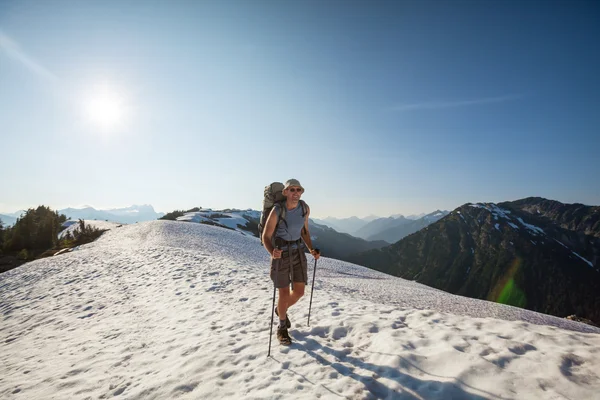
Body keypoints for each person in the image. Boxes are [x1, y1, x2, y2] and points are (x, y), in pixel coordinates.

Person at [262, 179, 320, 346]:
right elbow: (266, 236)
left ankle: (281, 310)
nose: (296, 193)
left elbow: (304, 230)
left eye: (299, 190)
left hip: (298, 252)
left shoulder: (304, 208)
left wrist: (311, 249)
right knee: (284, 294)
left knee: (300, 292)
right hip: (281, 254)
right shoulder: (277, 210)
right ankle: (281, 328)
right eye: (292, 190)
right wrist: (272, 251)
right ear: (285, 192)